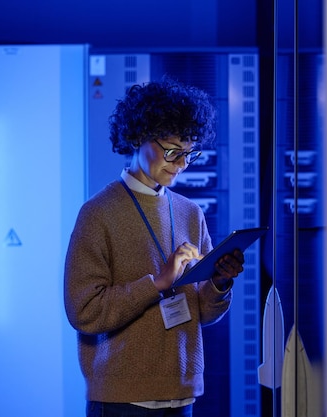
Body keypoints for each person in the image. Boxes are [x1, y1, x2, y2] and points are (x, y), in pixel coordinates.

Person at [64, 77, 245, 417]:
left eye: (189, 154)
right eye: (172, 151)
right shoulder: (97, 213)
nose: (180, 164)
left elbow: (204, 313)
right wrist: (157, 284)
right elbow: (84, 311)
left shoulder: (191, 212)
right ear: (138, 136)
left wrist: (219, 283)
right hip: (121, 400)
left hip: (182, 392)